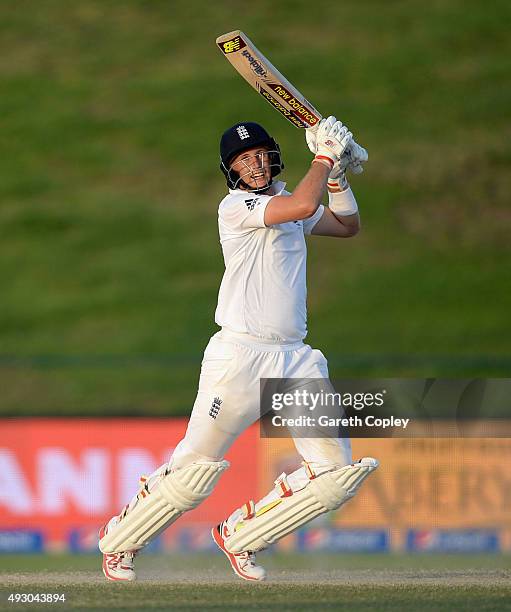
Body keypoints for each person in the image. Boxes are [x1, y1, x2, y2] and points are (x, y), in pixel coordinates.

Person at [99, 116, 379, 582]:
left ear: (273, 157)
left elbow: (347, 226)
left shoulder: (290, 203)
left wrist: (337, 176)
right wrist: (325, 156)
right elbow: (302, 203)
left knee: (334, 475)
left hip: (294, 357)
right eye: (243, 159)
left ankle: (242, 535)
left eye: (261, 154)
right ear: (231, 169)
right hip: (239, 356)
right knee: (195, 470)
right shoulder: (236, 207)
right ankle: (119, 543)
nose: (254, 164)